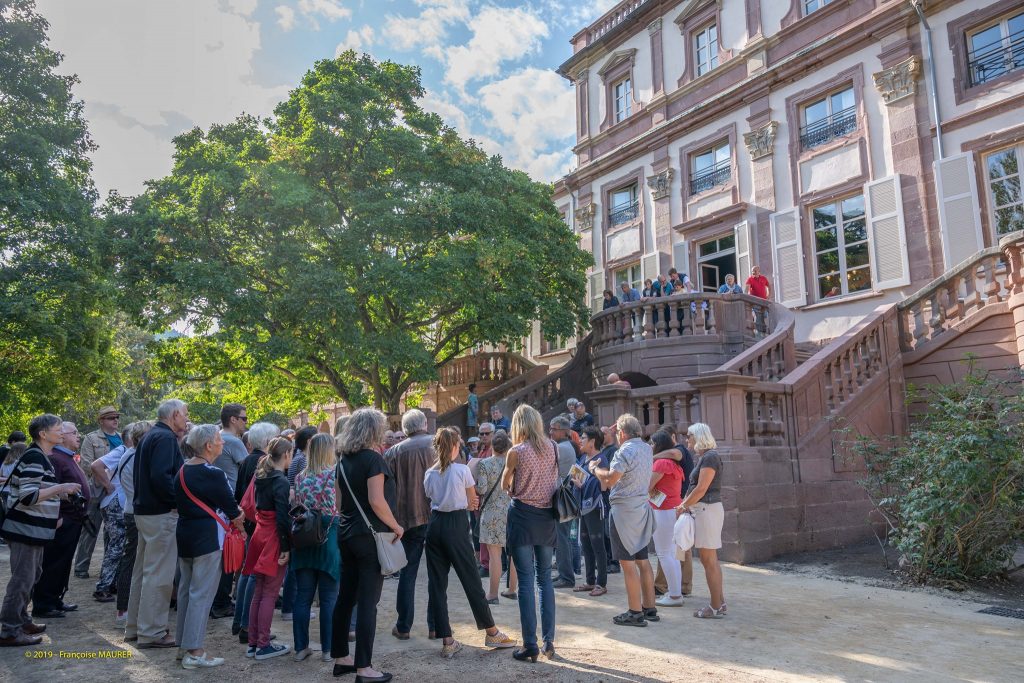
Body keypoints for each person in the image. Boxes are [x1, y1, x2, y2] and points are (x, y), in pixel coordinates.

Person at [423, 428, 516, 658]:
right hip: (455, 525)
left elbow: (430, 497)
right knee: (471, 580)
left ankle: (447, 638)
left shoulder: (429, 473)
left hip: (435, 525)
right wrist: (468, 502)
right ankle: (491, 630)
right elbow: (471, 501)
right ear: (455, 447)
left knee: (437, 584)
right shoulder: (462, 470)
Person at [332, 408, 403, 683]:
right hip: (370, 537)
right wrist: (396, 525)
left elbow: (339, 504)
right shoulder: (373, 460)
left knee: (346, 598)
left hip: (347, 534)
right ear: (373, 430)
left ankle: (342, 658)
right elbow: (376, 500)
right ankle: (364, 668)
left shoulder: (343, 461)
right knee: (368, 603)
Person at [0, 415, 81, 646]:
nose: (62, 433)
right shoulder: (35, 456)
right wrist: (60, 487)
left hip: (33, 530)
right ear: (43, 434)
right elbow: (28, 496)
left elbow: (36, 490)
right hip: (24, 530)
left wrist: (58, 493)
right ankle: (9, 631)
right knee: (22, 580)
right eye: (58, 430)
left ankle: (22, 621)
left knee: (31, 576)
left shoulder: (40, 456)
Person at [175, 424, 244, 669]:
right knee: (201, 594)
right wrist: (241, 517)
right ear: (208, 445)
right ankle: (194, 650)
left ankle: (184, 644)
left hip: (185, 535)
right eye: (218, 439)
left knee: (187, 591)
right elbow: (233, 510)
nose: (222, 443)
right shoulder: (213, 473)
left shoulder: (182, 470)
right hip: (207, 537)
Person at [126, 399, 189, 649]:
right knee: (159, 574)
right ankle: (152, 632)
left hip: (146, 511)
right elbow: (161, 476)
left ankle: (135, 627)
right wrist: (175, 501)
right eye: (184, 415)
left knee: (143, 571)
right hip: (160, 513)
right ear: (174, 415)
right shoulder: (164, 438)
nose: (186, 419)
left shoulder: (152, 436)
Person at [501, 404, 559, 663]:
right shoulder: (553, 447)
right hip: (546, 517)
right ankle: (549, 641)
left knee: (525, 581)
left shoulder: (516, 451)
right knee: (545, 579)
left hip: (523, 516)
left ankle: (530, 644)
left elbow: (505, 484)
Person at [588, 414, 657, 627]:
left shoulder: (624, 451)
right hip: (641, 509)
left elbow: (609, 480)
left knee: (628, 564)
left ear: (623, 433)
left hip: (624, 512)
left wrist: (594, 469)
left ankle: (635, 612)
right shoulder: (646, 448)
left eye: (618, 432)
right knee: (643, 561)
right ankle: (649, 608)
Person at [383, 408, 436, 641]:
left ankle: (403, 626)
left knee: (408, 573)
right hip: (437, 515)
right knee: (438, 573)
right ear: (425, 423)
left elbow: (386, 490)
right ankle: (436, 626)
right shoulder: (439, 443)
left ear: (405, 429)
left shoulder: (393, 452)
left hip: (406, 519)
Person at [30, 421, 90, 619]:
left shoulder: (66, 457)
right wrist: (57, 518)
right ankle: (44, 603)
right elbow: (49, 489)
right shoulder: (55, 458)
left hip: (72, 518)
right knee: (53, 562)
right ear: (62, 436)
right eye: (74, 432)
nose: (78, 436)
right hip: (63, 519)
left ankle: (55, 599)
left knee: (63, 563)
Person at [291, 433, 340, 663]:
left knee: (303, 597)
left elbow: (298, 505)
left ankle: (301, 647)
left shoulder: (300, 477)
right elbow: (339, 506)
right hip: (329, 534)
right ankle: (329, 650)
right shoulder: (334, 475)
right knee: (330, 598)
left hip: (305, 536)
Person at [244, 436, 294, 660]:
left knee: (259, 592)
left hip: (259, 534)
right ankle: (263, 644)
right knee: (270, 593)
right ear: (286, 455)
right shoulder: (280, 480)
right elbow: (283, 517)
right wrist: (286, 546)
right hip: (273, 536)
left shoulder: (261, 475)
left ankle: (254, 642)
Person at [231, 421, 279, 641]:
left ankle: (241, 622)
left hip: (249, 522)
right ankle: (246, 626)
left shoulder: (247, 460)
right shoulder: (262, 462)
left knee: (247, 573)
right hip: (258, 524)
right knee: (253, 576)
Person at [677, 423, 727, 619]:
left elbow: (701, 489)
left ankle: (715, 606)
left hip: (707, 510)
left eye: (689, 435)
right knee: (710, 560)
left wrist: (682, 506)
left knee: (709, 561)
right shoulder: (706, 457)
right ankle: (719, 603)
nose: (686, 439)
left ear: (698, 436)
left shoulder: (710, 457)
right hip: (704, 510)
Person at [74, 406, 121, 579]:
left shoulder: (123, 438)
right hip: (96, 490)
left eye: (116, 417)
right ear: (101, 421)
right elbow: (86, 464)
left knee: (114, 531)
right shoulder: (91, 438)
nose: (115, 420)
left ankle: (108, 568)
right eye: (110, 418)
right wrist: (106, 482)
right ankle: (81, 568)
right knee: (91, 529)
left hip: (116, 491)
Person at [114, 421, 152, 627]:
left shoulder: (130, 453)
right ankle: (124, 610)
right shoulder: (136, 456)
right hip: (135, 512)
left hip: (132, 509)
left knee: (134, 560)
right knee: (132, 561)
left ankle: (129, 608)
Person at [89, 425, 132, 603]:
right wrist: (108, 485)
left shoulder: (125, 450)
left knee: (116, 544)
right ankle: (103, 587)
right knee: (116, 545)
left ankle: (111, 583)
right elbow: (96, 465)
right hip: (114, 502)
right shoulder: (122, 450)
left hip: (115, 502)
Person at [281, 425, 319, 622]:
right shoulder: (303, 459)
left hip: (296, 511)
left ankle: (289, 605)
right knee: (296, 568)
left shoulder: (297, 458)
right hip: (301, 513)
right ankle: (290, 606)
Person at [476, 430, 517, 602]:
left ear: (492, 446)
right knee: (513, 554)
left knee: (494, 556)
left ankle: (493, 594)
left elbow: (482, 489)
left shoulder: (485, 463)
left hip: (492, 512)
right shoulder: (515, 463)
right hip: (512, 510)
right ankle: (512, 590)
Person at [649, 431, 686, 608]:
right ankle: (675, 593)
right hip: (672, 509)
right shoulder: (672, 463)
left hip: (663, 510)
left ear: (658, 444)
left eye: (652, 443)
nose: (650, 445)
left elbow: (647, 486)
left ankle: (674, 595)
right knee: (671, 554)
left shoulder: (662, 463)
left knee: (665, 553)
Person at [573, 426, 609, 597]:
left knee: (597, 545)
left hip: (595, 507)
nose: (580, 440)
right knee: (585, 544)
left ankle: (601, 583)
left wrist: (583, 484)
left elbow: (604, 485)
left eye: (584, 438)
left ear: (593, 442)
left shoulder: (601, 460)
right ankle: (589, 581)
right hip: (583, 507)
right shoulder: (583, 458)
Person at [549, 416, 579, 590]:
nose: (551, 432)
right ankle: (564, 574)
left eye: (554, 429)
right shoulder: (564, 446)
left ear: (564, 431)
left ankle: (566, 577)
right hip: (563, 496)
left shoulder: (561, 448)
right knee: (562, 538)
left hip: (562, 497)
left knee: (562, 539)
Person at [745, 265, 771, 333]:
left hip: (763, 301)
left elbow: (769, 286)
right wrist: (745, 296)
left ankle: (766, 332)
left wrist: (768, 295)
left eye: (755, 271)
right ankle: (757, 333)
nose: (754, 272)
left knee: (764, 316)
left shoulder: (763, 278)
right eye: (753, 271)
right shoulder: (750, 279)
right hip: (754, 302)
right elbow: (747, 288)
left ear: (759, 272)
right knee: (756, 317)